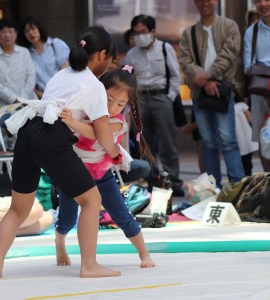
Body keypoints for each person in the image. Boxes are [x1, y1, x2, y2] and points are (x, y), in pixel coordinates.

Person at [0, 26, 121, 279]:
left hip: (27, 132)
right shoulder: (94, 85)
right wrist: (117, 155)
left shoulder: (61, 75)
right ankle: (89, 265)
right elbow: (103, 134)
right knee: (91, 200)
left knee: (18, 208)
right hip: (51, 136)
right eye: (110, 59)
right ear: (102, 55)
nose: (109, 65)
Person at [55, 66, 155, 268]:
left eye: (120, 103)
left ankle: (144, 253)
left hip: (101, 175)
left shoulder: (118, 123)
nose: (113, 107)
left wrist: (73, 122)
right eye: (109, 99)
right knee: (67, 218)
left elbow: (96, 134)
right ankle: (60, 242)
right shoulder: (85, 110)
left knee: (121, 215)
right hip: (74, 172)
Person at [179, 0, 245, 187]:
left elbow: (229, 55)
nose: (204, 3)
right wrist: (205, 81)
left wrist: (207, 76)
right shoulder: (189, 32)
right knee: (207, 142)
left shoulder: (229, 26)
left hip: (223, 91)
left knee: (228, 141)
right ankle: (212, 187)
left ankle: (237, 186)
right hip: (200, 94)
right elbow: (185, 60)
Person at [123, 15, 184, 195]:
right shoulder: (131, 54)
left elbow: (175, 75)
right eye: (136, 33)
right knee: (144, 143)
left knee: (167, 143)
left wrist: (170, 97)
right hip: (140, 100)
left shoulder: (165, 49)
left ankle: (173, 182)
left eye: (143, 32)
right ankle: (152, 181)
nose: (140, 36)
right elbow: (125, 78)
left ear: (152, 32)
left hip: (161, 97)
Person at [0, 18, 37, 109]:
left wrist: (22, 99)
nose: (7, 35)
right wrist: (14, 99)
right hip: (2, 106)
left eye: (10, 31)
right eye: (3, 32)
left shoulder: (24, 52)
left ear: (16, 34)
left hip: (27, 103)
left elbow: (31, 77)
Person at [243, 0, 270, 172]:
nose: (263, 4)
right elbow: (247, 66)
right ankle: (268, 183)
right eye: (258, 1)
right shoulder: (251, 32)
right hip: (261, 91)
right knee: (263, 138)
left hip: (263, 81)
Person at [19, 16, 70, 99]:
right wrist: (42, 96)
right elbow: (28, 81)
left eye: (33, 28)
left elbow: (66, 71)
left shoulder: (56, 44)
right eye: (26, 31)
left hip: (63, 95)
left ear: (39, 29)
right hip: (43, 98)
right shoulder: (26, 54)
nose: (31, 33)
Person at [234, 86, 259, 176]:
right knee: (245, 163)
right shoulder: (241, 106)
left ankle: (246, 179)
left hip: (244, 138)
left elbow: (250, 118)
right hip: (244, 139)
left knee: (245, 163)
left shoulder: (241, 106)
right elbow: (251, 119)